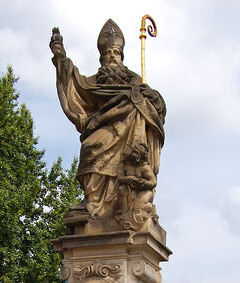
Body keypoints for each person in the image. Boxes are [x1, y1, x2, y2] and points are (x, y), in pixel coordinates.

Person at [50, 20, 166, 233]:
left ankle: (119, 207)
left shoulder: (134, 80)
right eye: (108, 53)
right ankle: (94, 204)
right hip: (102, 127)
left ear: (122, 56)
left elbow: (156, 106)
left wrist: (151, 98)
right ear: (102, 57)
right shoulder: (95, 82)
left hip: (130, 132)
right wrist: (61, 59)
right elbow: (75, 86)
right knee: (91, 147)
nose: (112, 55)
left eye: (116, 52)